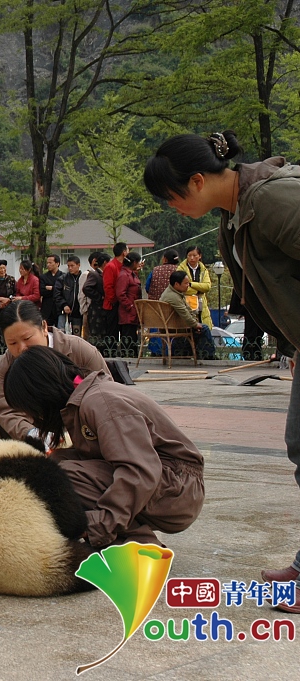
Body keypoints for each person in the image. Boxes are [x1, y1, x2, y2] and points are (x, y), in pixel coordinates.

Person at [144, 130, 300, 611]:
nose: (173, 209)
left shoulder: (272, 198)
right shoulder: (236, 213)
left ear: (197, 181)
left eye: (171, 198)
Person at [4, 346, 204, 549]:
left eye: (33, 410)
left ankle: (140, 548)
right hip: (166, 481)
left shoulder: (101, 403)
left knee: (62, 475)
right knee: (53, 464)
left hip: (178, 489)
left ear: (42, 393)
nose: (37, 418)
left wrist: (98, 524)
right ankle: (123, 536)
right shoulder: (84, 399)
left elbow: (139, 471)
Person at [0, 300, 108, 450]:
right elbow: (6, 408)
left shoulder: (79, 351)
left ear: (44, 327)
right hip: (34, 421)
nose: (22, 348)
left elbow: (106, 392)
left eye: (27, 339)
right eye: (12, 343)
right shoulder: (5, 366)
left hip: (75, 421)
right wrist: (32, 433)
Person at [160, 271, 217, 359]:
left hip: (175, 325)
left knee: (199, 329)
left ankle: (187, 354)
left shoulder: (175, 293)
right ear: (177, 284)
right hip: (174, 327)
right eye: (186, 283)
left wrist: (195, 322)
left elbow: (189, 310)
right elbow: (185, 314)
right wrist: (195, 325)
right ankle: (208, 356)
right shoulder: (173, 297)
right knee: (204, 329)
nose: (188, 285)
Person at [101, 242, 128, 354]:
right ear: (124, 252)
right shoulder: (111, 266)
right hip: (112, 304)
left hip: (121, 303)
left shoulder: (124, 266)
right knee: (112, 331)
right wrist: (113, 300)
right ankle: (110, 352)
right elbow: (108, 286)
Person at [177, 246, 214, 328]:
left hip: (202, 306)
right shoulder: (181, 269)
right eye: (189, 255)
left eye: (194, 255)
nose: (192, 258)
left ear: (200, 256)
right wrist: (199, 290)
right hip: (187, 305)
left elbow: (207, 287)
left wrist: (191, 284)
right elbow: (182, 288)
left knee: (204, 329)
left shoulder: (203, 270)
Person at [115, 251, 143, 355]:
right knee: (128, 338)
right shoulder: (124, 275)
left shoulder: (131, 274)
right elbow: (120, 293)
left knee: (133, 338)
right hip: (128, 313)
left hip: (133, 312)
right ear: (134, 262)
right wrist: (130, 306)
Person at [80, 251, 110, 342]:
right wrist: (99, 297)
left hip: (102, 309)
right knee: (95, 334)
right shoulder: (94, 274)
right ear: (105, 263)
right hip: (96, 309)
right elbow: (86, 288)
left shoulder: (103, 274)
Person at [57, 255, 83, 335]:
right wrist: (64, 305)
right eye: (68, 266)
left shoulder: (84, 278)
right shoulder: (62, 279)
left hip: (78, 313)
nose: (70, 268)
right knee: (61, 334)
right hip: (63, 312)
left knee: (77, 335)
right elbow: (57, 294)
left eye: (72, 266)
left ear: (78, 265)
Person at [39, 254, 65, 327]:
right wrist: (57, 289)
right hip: (47, 308)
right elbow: (42, 291)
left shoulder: (63, 276)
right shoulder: (43, 277)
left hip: (58, 307)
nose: (48, 265)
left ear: (57, 263)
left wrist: (52, 288)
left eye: (50, 263)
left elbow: (63, 291)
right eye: (47, 263)